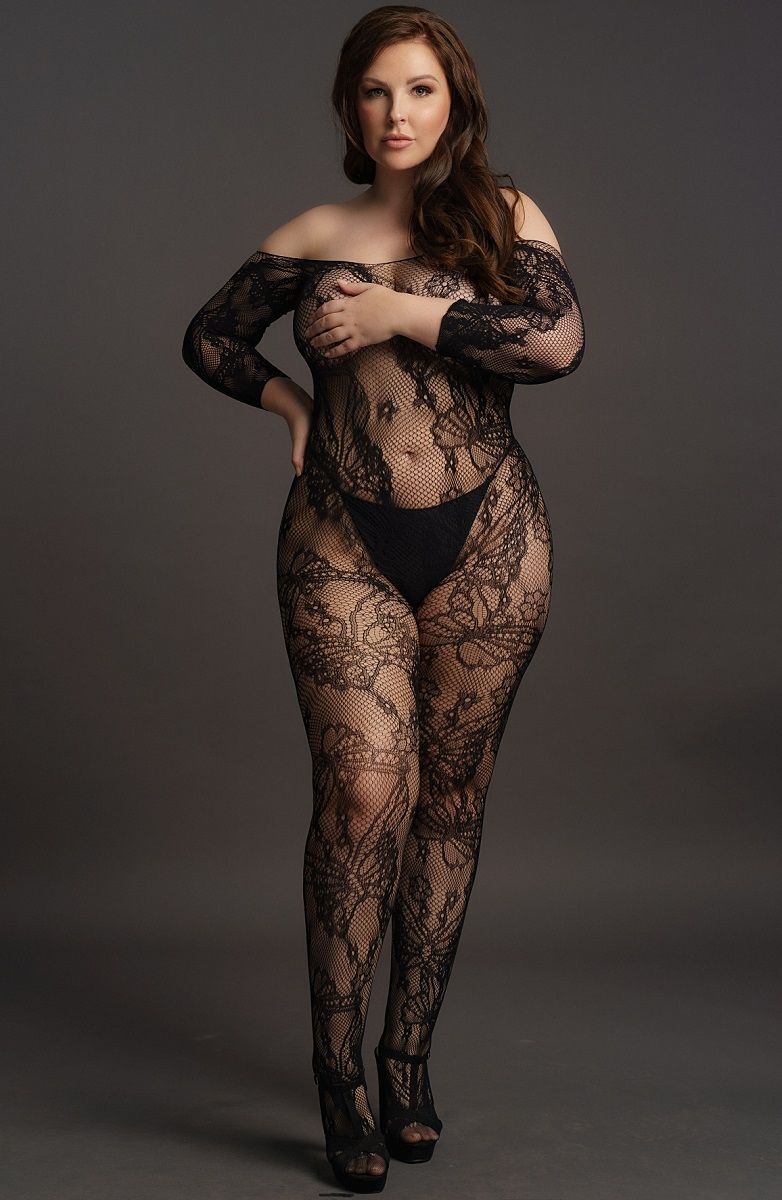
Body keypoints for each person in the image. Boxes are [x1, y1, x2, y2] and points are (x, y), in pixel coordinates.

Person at [181, 5, 585, 1192]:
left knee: (450, 799)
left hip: (490, 542)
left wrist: (402, 311)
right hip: (340, 539)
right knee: (364, 794)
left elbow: (553, 343)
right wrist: (291, 405)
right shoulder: (315, 234)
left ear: (453, 102)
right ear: (348, 109)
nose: (395, 113)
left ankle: (405, 1060)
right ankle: (337, 1076)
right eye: (373, 91)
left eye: (417, 89)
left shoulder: (504, 217)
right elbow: (210, 338)